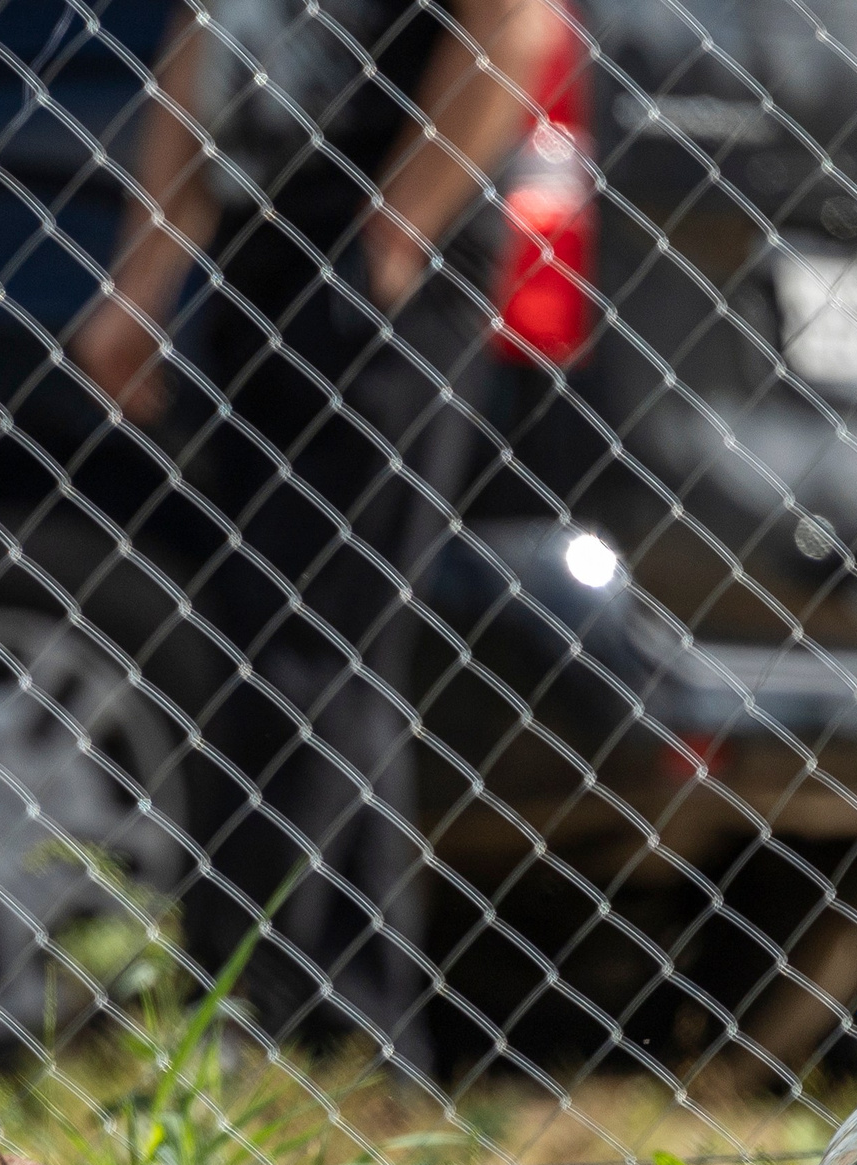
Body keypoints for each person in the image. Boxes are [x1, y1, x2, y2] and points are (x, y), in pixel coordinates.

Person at [73, 0, 559, 1076]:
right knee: (296, 642)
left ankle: (268, 1016)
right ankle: (352, 1036)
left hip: (380, 250)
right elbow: (198, 56)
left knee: (308, 641)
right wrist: (143, 283)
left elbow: (516, 26)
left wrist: (391, 241)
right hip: (263, 246)